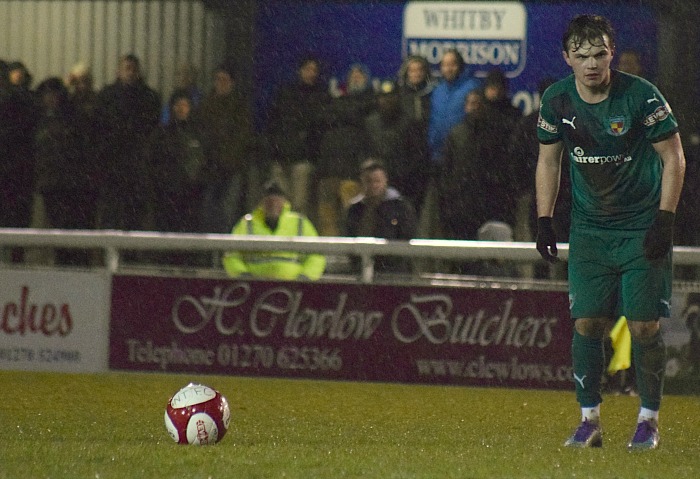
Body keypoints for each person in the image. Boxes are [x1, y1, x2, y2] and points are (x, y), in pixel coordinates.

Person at [535, 15, 686, 450]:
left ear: (611, 54)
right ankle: (589, 421)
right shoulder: (557, 101)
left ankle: (649, 421)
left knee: (643, 326)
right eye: (581, 56)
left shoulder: (641, 96)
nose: (591, 64)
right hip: (590, 231)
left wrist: (665, 218)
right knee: (587, 323)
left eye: (599, 54)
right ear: (567, 58)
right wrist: (544, 218)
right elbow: (548, 160)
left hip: (642, 227)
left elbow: (673, 157)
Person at [94, 54, 161, 232]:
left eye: (133, 69)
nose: (130, 73)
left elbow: (151, 130)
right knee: (111, 213)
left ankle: (131, 254)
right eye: (127, 68)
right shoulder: (106, 96)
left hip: (136, 166)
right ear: (118, 71)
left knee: (134, 213)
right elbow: (99, 128)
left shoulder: (149, 98)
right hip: (111, 164)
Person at [33, 77, 96, 266]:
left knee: (73, 233)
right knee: (57, 233)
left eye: (53, 94)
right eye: (46, 94)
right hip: (51, 185)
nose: (50, 98)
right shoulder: (40, 119)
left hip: (72, 187)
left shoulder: (73, 120)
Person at [420, 48, 480, 241]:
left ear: (459, 66)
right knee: (435, 213)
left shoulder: (471, 88)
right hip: (437, 160)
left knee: (456, 214)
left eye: (451, 64)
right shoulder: (437, 91)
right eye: (444, 64)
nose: (448, 68)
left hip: (459, 163)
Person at [267, 55, 330, 218]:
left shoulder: (320, 96)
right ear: (300, 71)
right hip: (280, 157)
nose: (311, 73)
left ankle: (297, 241)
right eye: (308, 69)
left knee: (299, 206)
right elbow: (274, 123)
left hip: (302, 160)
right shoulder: (285, 93)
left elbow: (318, 130)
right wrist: (274, 148)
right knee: (280, 205)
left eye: (314, 70)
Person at [222, 181, 326, 281]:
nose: (273, 204)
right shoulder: (246, 223)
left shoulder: (300, 223)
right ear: (261, 202)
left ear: (284, 201)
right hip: (255, 289)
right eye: (269, 200)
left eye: (277, 200)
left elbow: (316, 255)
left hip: (294, 289)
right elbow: (232, 255)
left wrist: (304, 278)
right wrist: (243, 276)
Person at [315, 63, 375, 236]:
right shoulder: (335, 102)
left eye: (360, 75)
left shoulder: (371, 103)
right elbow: (323, 121)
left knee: (353, 218)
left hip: (352, 171)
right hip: (328, 169)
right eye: (352, 75)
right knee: (327, 219)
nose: (355, 78)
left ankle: (352, 258)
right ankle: (331, 258)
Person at [196, 61, 253, 233]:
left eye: (225, 80)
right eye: (218, 79)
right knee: (208, 212)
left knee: (228, 213)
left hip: (232, 169)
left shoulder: (240, 107)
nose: (221, 83)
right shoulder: (205, 105)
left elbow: (242, 138)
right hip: (210, 169)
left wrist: (228, 160)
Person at [344, 159, 417, 275]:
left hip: (394, 273)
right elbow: (349, 239)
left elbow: (407, 239)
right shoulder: (354, 209)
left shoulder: (400, 207)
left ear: (385, 180)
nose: (374, 185)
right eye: (369, 181)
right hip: (360, 271)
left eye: (377, 181)